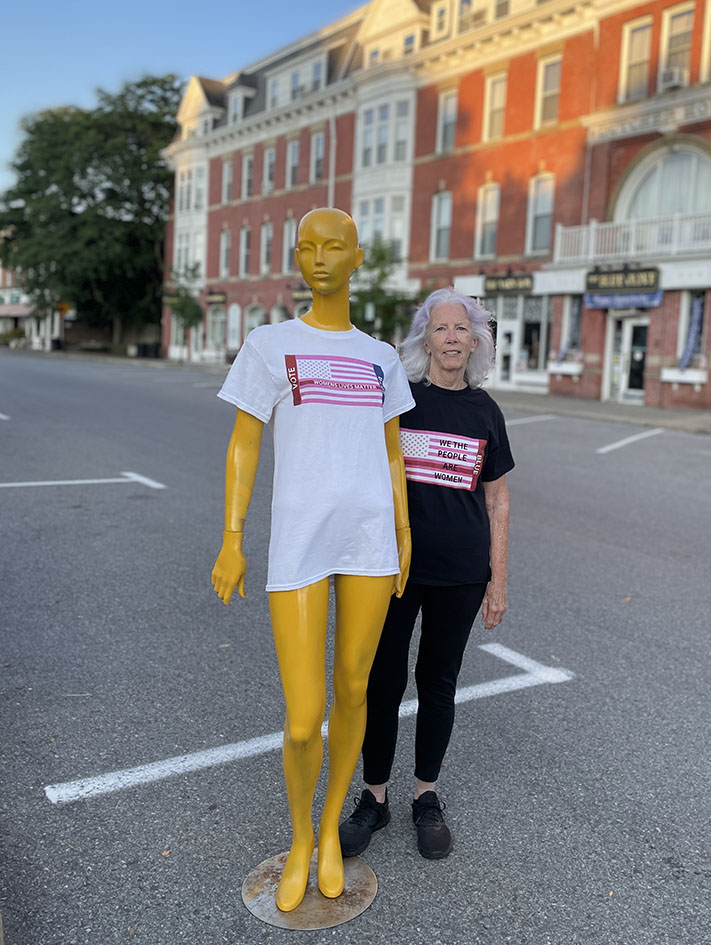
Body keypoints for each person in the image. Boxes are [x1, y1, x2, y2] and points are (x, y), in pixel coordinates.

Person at [210, 207, 414, 911]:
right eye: (307, 247)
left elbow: (392, 451)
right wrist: (232, 535)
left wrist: (404, 532)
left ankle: (329, 831)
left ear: (358, 258)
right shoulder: (269, 344)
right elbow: (244, 441)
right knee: (303, 716)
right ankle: (299, 836)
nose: (318, 257)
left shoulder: (381, 356)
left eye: (334, 247)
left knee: (353, 691)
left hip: (368, 543)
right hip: (300, 539)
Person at [339, 287, 513, 861]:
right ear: (424, 339)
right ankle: (375, 796)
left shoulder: (486, 412)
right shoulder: (401, 400)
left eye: (462, 329)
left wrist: (498, 580)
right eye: (440, 329)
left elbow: (498, 503)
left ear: (476, 341)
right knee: (384, 682)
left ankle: (426, 797)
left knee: (438, 684)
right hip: (396, 569)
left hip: (461, 573)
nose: (452, 339)